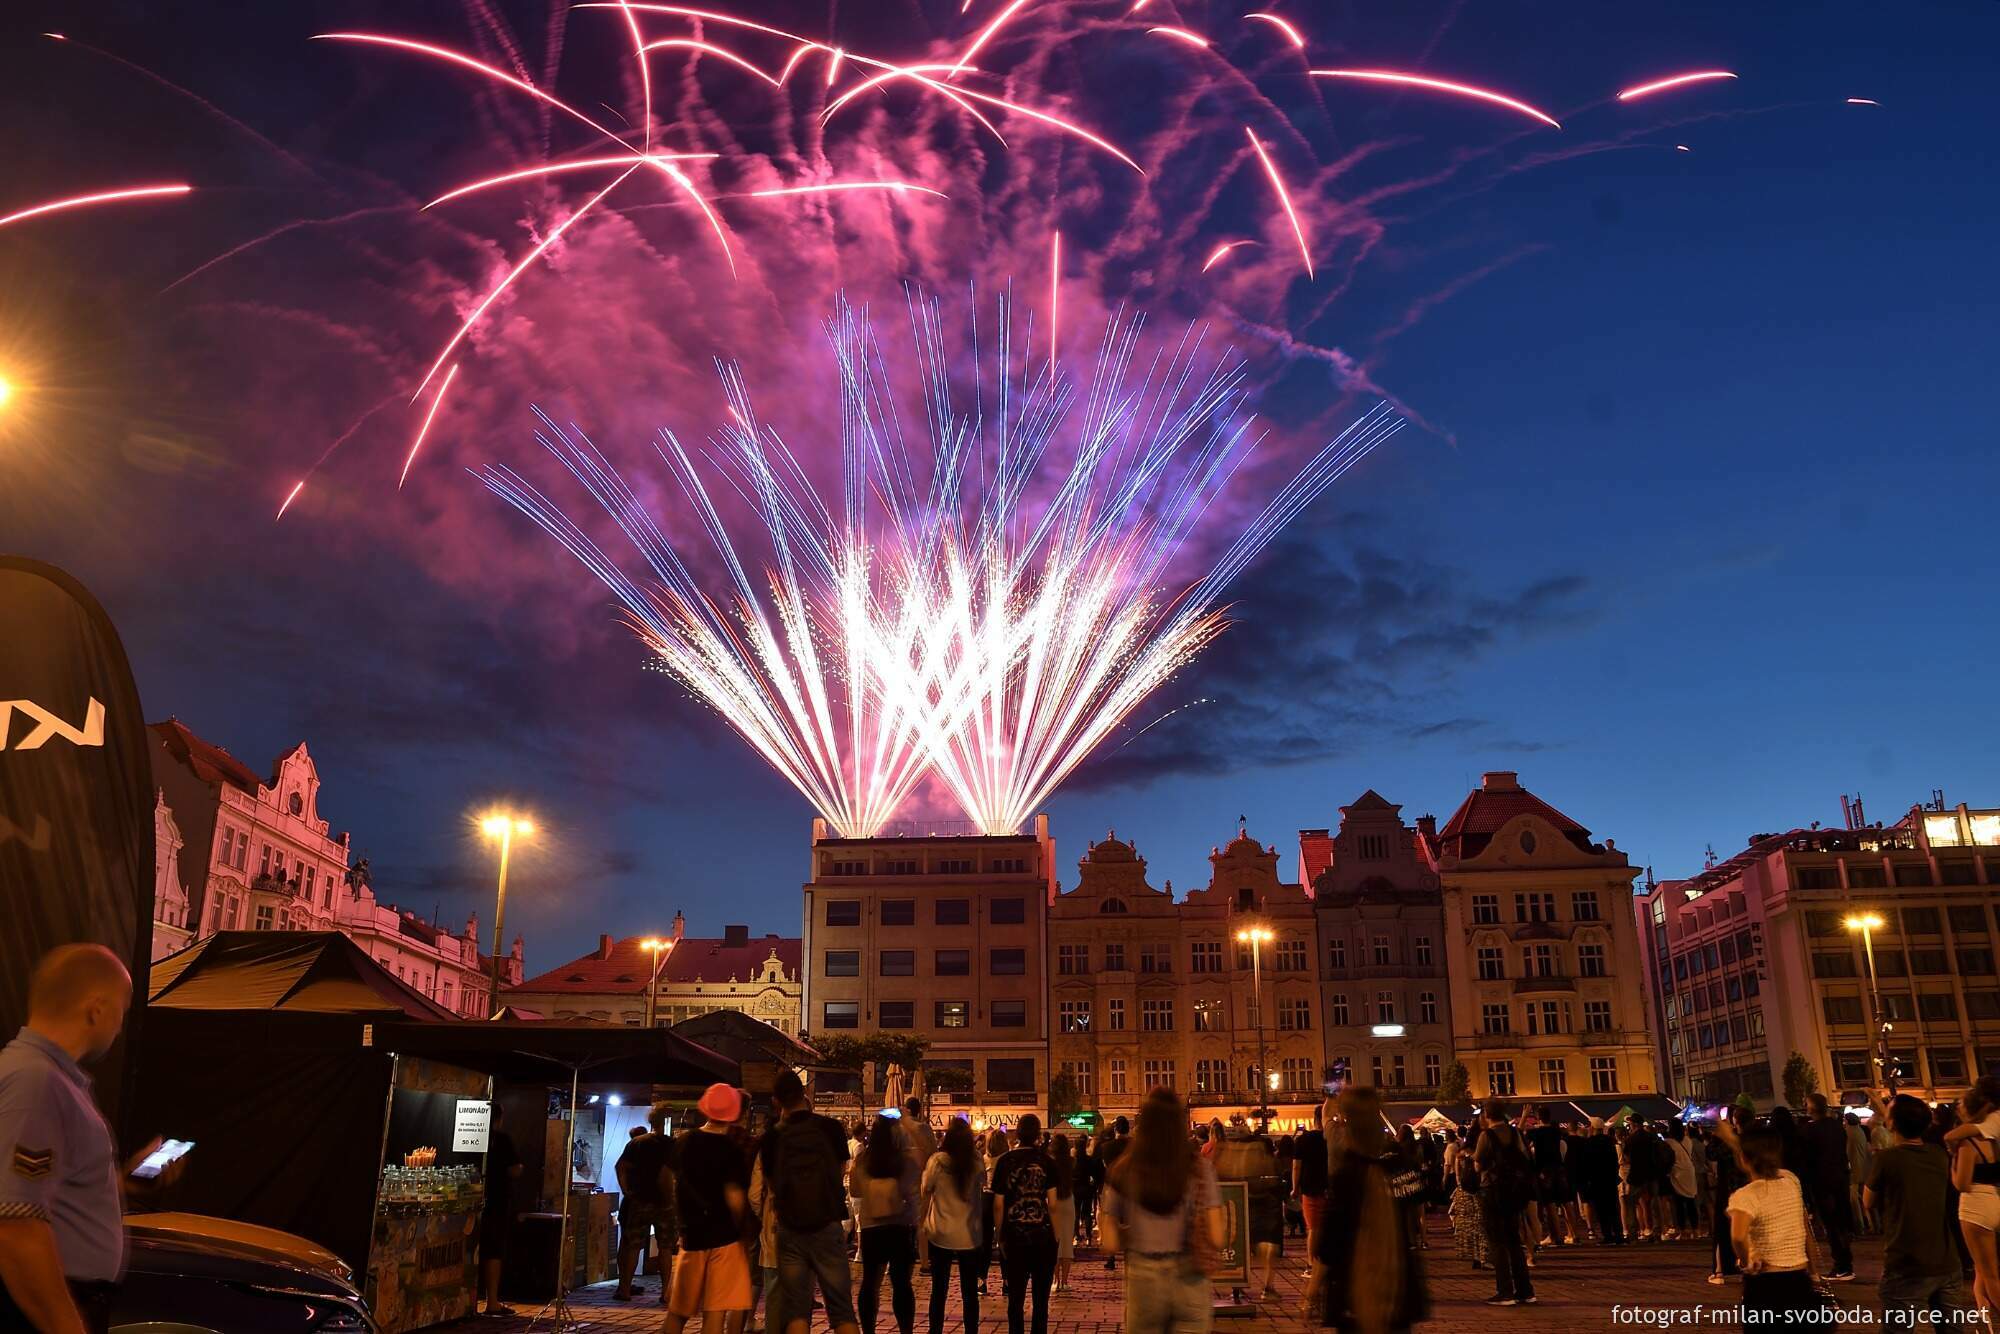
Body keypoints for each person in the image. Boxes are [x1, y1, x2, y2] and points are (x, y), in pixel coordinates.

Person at [0, 945, 135, 1334]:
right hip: (40, 1311)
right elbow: (16, 1224)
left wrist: (122, 1184)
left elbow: (40, 1192)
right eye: (121, 1011)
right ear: (96, 1009)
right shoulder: (37, 1083)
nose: (120, 1026)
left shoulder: (44, 1078)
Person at [1102, 1089, 1223, 1334]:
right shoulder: (1199, 1168)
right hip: (1190, 1277)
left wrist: (1131, 1231)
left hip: (1144, 1278)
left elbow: (1110, 1243)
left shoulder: (1125, 1168)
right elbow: (1217, 1237)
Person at [1312, 1088, 1430, 1334]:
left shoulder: (1347, 1171)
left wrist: (1313, 1287)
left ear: (1348, 1121)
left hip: (1356, 1287)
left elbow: (1328, 1244)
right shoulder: (1398, 1161)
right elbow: (1417, 1195)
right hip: (1397, 1280)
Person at [1864, 1092, 1971, 1331]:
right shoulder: (1938, 1154)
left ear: (1892, 1123)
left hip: (1906, 1263)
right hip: (1946, 1260)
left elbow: (1868, 1201)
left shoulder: (1887, 1159)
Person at [762, 1072, 859, 1334]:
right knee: (842, 1310)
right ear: (804, 1094)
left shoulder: (771, 1137)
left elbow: (772, 1185)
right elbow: (840, 1172)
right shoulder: (831, 1128)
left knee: (796, 1311)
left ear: (776, 1101)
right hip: (827, 1224)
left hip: (790, 1229)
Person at [667, 1084, 754, 1334]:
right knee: (716, 1309)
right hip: (724, 1237)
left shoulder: (685, 1141)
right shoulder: (731, 1150)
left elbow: (674, 1182)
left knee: (679, 1310)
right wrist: (742, 1229)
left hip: (691, 1236)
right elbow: (735, 1197)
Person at [1717, 1120, 1820, 1326]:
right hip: (1799, 1278)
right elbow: (1806, 1230)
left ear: (1743, 1158)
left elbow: (1738, 1237)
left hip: (1766, 1281)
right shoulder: (1791, 1181)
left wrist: (1746, 1261)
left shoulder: (1745, 1196)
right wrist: (1814, 1272)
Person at [851, 1113, 920, 1334]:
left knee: (870, 1282)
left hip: (871, 1227)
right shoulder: (905, 1161)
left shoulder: (863, 1161)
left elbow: (855, 1190)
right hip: (901, 1226)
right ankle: (906, 1330)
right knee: (901, 1284)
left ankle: (868, 1330)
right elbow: (913, 1192)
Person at [990, 1114, 1059, 1334]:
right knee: (1041, 1301)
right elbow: (1053, 1204)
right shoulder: (1047, 1161)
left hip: (1014, 1236)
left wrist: (999, 1235)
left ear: (1017, 1133)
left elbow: (998, 1204)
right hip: (1042, 1235)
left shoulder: (1004, 1161)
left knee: (1015, 1300)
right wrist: (1056, 1235)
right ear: (1038, 1134)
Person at [1942, 1079, 2000, 1323]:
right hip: (1994, 1200)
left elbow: (1962, 1184)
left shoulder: (1969, 1142)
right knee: (1981, 1270)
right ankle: (1985, 1321)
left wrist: (1952, 1168)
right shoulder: (1991, 1137)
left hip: (1975, 1208)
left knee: (1990, 1275)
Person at [920, 1120, 985, 1334]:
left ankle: (935, 1330)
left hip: (941, 1231)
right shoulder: (976, 1161)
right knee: (969, 1291)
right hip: (969, 1233)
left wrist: (921, 1221)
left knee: (939, 1289)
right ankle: (971, 1330)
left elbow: (925, 1190)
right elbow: (982, 1186)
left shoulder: (937, 1161)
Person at [1471, 1100, 1534, 1306]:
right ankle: (1525, 1290)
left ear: (1487, 1115)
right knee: (1514, 1240)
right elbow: (1525, 1157)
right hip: (1514, 1191)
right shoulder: (1515, 1133)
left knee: (1497, 1242)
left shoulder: (1486, 1135)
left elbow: (1478, 1166)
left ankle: (1505, 1291)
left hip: (1492, 1190)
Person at [615, 1102, 679, 1302]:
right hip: (664, 1201)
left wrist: (626, 1190)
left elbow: (620, 1166)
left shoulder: (637, 1143)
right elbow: (671, 1173)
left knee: (633, 1246)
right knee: (665, 1247)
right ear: (665, 1120)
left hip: (639, 1199)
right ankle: (665, 1292)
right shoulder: (671, 1144)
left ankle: (625, 1289)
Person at [477, 1100, 524, 1317]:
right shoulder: (502, 1139)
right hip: (496, 1200)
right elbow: (514, 1169)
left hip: (474, 1198)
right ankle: (492, 1301)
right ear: (499, 1118)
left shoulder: (472, 1137)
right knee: (493, 1250)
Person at [1803, 1093, 1857, 1280]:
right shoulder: (1836, 1127)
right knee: (1841, 1221)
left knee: (1831, 1223)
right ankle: (1846, 1262)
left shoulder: (1810, 1130)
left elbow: (1808, 1158)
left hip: (1822, 1182)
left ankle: (1842, 1265)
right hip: (1840, 1178)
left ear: (1811, 1108)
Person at [1525, 1107, 1578, 1245]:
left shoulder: (1536, 1133)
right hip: (1559, 1168)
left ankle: (1556, 1236)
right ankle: (1575, 1234)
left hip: (1544, 1170)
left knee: (1550, 1204)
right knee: (1566, 1202)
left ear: (1538, 1117)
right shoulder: (1557, 1131)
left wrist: (1524, 1116)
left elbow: (1520, 1134)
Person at [1705, 1112, 1746, 1283]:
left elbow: (1711, 1153)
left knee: (1723, 1229)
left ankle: (1719, 1271)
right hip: (1746, 1187)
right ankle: (1745, 1265)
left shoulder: (1729, 1143)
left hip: (1727, 1190)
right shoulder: (1751, 1140)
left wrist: (1717, 1137)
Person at [1570, 1118, 1623, 1246]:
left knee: (1602, 1210)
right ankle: (1618, 1235)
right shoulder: (1610, 1141)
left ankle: (1608, 1235)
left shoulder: (1589, 1143)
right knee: (1613, 1208)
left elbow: (1586, 1163)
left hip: (1596, 1180)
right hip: (1610, 1179)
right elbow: (1614, 1161)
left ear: (1592, 1128)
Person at [1294, 1106, 1330, 1271]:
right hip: (1329, 1186)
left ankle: (1311, 1263)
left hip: (1310, 1187)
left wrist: (1295, 1188)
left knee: (1312, 1227)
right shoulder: (1331, 1138)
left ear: (1315, 1119)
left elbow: (1296, 1166)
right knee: (1325, 1226)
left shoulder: (1303, 1139)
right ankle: (1325, 1260)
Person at [1445, 1125, 1486, 1267]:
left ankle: (1475, 1256)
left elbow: (1458, 1175)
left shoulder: (1461, 1153)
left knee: (1470, 1226)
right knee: (1482, 1224)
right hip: (1479, 1191)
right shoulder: (1478, 1154)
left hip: (1464, 1191)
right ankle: (1482, 1257)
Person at [1100, 1117, 1130, 1272]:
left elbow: (1104, 1165)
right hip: (1131, 1187)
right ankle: (1129, 1256)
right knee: (1130, 1222)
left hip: (1112, 1185)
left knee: (1111, 1220)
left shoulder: (1106, 1147)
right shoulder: (1134, 1146)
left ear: (1115, 1130)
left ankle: (1111, 1257)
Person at [1048, 1135, 1077, 1293]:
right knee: (1067, 1241)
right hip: (1068, 1199)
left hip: (1053, 1199)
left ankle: (1055, 1280)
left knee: (1055, 1240)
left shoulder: (1049, 1162)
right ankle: (1065, 1281)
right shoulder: (1071, 1161)